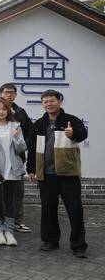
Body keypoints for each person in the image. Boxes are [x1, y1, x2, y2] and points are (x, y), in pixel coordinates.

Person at [26, 90, 88, 258]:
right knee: (48, 209)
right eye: (45, 102)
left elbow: (83, 134)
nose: (49, 104)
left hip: (69, 173)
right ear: (42, 104)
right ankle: (51, 241)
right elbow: (32, 148)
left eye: (52, 101)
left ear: (59, 101)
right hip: (47, 174)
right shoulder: (39, 124)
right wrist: (30, 169)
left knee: (75, 210)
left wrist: (73, 133)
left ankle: (78, 245)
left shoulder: (71, 120)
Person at [0, 97, 27, 246]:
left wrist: (17, 137)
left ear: (8, 111)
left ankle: (8, 230)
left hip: (12, 169)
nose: (1, 112)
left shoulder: (15, 125)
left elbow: (21, 148)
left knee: (10, 201)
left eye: (4, 109)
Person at [0, 83, 33, 233]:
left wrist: (22, 144)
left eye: (12, 93)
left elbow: (30, 132)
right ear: (1, 94)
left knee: (17, 193)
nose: (9, 95)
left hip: (17, 159)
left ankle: (17, 221)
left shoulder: (20, 112)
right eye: (6, 92)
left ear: (15, 95)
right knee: (0, 193)